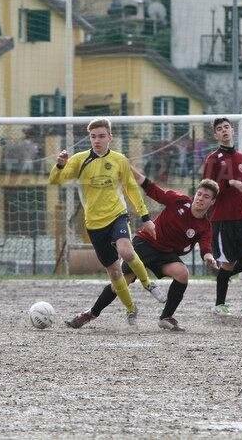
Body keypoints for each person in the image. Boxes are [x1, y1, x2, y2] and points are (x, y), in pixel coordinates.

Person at [67, 166, 219, 331]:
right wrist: (129, 169)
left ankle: (166, 317)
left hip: (165, 254)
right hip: (145, 244)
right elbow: (153, 190)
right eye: (199, 194)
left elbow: (206, 247)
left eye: (206, 197)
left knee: (183, 274)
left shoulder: (205, 226)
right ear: (195, 194)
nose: (201, 198)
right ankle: (91, 313)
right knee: (120, 282)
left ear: (212, 202)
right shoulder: (179, 201)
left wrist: (209, 258)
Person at [48, 117, 164, 326]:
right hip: (93, 223)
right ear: (89, 138)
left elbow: (131, 188)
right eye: (93, 136)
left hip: (117, 215)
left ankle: (148, 284)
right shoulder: (79, 160)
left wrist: (145, 217)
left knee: (127, 252)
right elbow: (55, 180)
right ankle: (131, 309)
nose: (97, 140)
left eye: (101, 136)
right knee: (114, 271)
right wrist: (59, 165)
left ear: (110, 137)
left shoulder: (120, 160)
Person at [202, 117, 242, 315]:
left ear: (232, 131)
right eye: (220, 129)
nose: (224, 131)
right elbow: (206, 188)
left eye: (227, 127)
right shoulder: (212, 159)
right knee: (228, 263)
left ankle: (223, 275)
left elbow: (241, 188)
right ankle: (219, 304)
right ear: (216, 135)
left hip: (241, 217)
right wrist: (228, 183)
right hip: (221, 219)